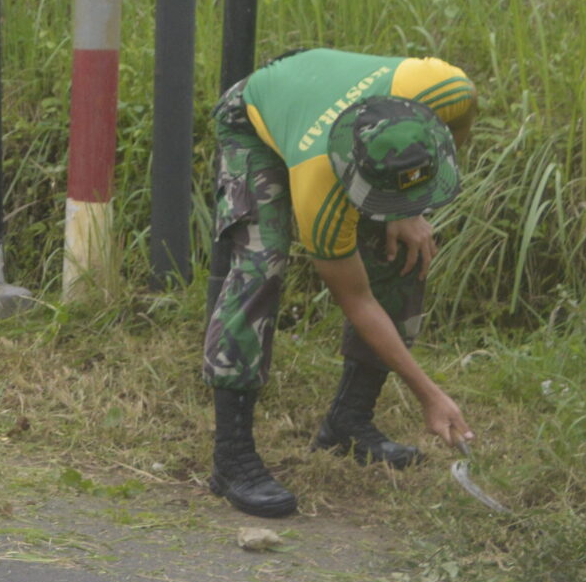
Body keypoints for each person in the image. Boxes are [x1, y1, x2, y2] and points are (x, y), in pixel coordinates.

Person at [201, 47, 480, 518]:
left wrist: (410, 209)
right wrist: (429, 395)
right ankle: (231, 460)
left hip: (324, 92)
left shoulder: (447, 87)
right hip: (254, 117)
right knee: (260, 267)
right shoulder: (320, 187)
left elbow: (454, 133)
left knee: (406, 247)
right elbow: (358, 300)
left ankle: (349, 424)